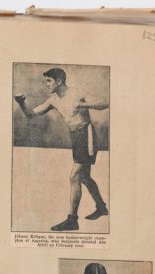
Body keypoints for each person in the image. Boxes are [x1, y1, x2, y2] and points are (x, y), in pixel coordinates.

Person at [14, 67, 110, 232]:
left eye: (49, 81)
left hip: (86, 135)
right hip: (75, 138)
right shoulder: (53, 100)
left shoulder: (77, 93)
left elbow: (104, 102)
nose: (46, 85)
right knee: (84, 177)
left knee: (75, 176)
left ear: (59, 81)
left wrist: (82, 104)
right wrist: (22, 103)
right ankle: (101, 207)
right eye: (46, 82)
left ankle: (72, 220)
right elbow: (31, 114)